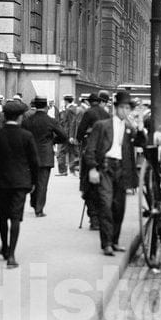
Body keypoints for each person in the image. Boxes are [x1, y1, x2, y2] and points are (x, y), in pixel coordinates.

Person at [82, 92, 146, 255]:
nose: (125, 111)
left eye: (128, 108)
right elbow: (90, 149)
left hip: (122, 169)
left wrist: (139, 128)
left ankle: (115, 241)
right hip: (105, 167)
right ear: (116, 108)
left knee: (119, 207)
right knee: (106, 204)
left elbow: (141, 144)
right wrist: (92, 168)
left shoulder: (129, 128)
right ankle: (107, 244)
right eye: (122, 107)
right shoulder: (102, 125)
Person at [0, 99, 39, 268]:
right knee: (15, 219)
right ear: (20, 117)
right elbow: (34, 162)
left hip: (1, 182)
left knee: (2, 217)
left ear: (4, 116)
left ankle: (4, 248)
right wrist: (34, 182)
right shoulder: (27, 136)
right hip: (21, 183)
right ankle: (12, 256)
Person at [21, 96, 68, 217]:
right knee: (42, 183)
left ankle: (33, 202)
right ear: (46, 107)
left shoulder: (27, 120)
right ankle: (39, 208)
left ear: (35, 106)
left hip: (30, 155)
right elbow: (63, 135)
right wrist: (53, 141)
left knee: (33, 180)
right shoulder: (51, 121)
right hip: (45, 155)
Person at [76, 90, 111, 230]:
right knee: (103, 186)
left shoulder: (89, 113)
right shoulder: (106, 114)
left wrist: (79, 140)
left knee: (88, 185)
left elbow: (81, 130)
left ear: (90, 103)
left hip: (90, 151)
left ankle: (94, 219)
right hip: (105, 152)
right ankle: (102, 217)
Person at [56, 94, 80, 176]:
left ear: (66, 101)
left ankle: (63, 170)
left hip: (66, 134)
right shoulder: (74, 108)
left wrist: (68, 135)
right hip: (70, 135)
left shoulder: (69, 110)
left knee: (61, 152)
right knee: (72, 152)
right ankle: (72, 169)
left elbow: (69, 123)